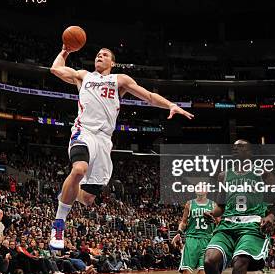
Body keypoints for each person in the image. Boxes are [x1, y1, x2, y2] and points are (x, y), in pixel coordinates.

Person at [48, 45, 193, 249]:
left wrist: (170, 105)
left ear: (112, 63)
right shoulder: (83, 76)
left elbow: (149, 96)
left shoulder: (119, 80)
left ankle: (66, 194)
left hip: (104, 140)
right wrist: (65, 51)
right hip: (84, 132)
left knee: (88, 199)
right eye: (98, 54)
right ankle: (58, 224)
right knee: (79, 169)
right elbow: (55, 69)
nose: (100, 56)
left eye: (105, 54)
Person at [203, 140, 275, 274]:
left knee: (239, 264)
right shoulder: (223, 175)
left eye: (241, 146)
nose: (236, 148)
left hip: (251, 225)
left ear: (250, 152)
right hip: (228, 225)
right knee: (208, 261)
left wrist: (271, 216)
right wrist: (212, 213)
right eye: (234, 146)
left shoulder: (263, 173)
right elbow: (220, 206)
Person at [172, 191, 217, 274]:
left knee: (204, 271)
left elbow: (219, 221)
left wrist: (214, 220)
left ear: (207, 190)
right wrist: (179, 232)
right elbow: (184, 222)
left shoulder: (213, 205)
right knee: (186, 270)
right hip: (192, 239)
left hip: (207, 239)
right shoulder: (189, 204)